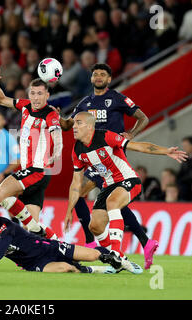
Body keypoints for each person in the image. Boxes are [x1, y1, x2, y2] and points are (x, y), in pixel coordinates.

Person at [55, 63, 158, 270]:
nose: (99, 77)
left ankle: (93, 241)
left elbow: (143, 118)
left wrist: (131, 134)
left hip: (111, 156)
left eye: (103, 74)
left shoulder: (118, 98)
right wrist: (60, 118)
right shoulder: (85, 102)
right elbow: (69, 125)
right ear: (91, 79)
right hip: (92, 157)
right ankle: (145, 241)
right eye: (96, 74)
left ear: (109, 79)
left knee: (84, 193)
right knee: (98, 198)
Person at [65, 112, 187, 272]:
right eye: (74, 123)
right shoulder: (77, 151)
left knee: (112, 202)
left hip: (128, 180)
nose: (73, 126)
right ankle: (122, 261)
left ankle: (115, 252)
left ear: (89, 126)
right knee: (95, 226)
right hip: (108, 185)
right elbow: (76, 184)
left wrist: (165, 151)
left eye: (78, 123)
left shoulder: (106, 136)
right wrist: (69, 210)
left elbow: (138, 146)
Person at [0, 65, 62, 239]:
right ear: (29, 94)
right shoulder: (25, 106)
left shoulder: (50, 115)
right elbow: (1, 99)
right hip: (35, 172)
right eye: (33, 93)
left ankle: (37, 230)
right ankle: (53, 242)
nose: (36, 97)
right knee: (31, 232)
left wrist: (57, 150)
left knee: (0, 193)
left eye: (40, 94)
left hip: (38, 171)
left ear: (47, 95)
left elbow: (57, 134)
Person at [0, 207, 124, 273]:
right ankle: (92, 271)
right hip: (35, 263)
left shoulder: (8, 227)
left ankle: (117, 260)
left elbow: (0, 252)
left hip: (50, 248)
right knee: (67, 268)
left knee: (93, 254)